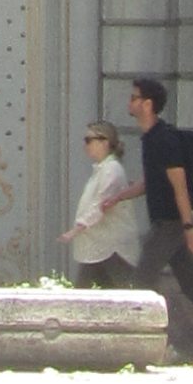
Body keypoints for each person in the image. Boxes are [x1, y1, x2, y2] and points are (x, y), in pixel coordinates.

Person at [120, 74, 193, 361]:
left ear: (147, 104)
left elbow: (179, 185)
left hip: (169, 226)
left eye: (134, 97)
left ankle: (154, 348)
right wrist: (116, 197)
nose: (129, 102)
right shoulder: (150, 138)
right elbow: (151, 182)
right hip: (169, 226)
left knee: (141, 284)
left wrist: (189, 228)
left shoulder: (164, 139)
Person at [61, 120, 141, 286]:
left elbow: (100, 204)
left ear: (104, 141)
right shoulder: (103, 169)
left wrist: (76, 229)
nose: (86, 145)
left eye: (89, 140)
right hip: (98, 245)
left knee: (115, 296)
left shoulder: (111, 169)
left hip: (112, 248)